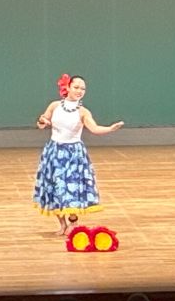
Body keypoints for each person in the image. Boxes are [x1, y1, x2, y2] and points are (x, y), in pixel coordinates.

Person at [33, 74, 124, 235]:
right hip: (54, 152)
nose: (79, 91)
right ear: (67, 87)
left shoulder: (83, 112)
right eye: (76, 87)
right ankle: (62, 224)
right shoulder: (54, 106)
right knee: (55, 187)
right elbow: (41, 122)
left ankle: (73, 222)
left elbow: (94, 129)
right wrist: (42, 121)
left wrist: (110, 129)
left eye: (83, 89)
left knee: (71, 188)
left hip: (73, 154)